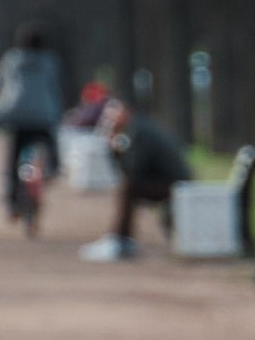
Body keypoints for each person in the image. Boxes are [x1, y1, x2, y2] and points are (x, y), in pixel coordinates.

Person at [78, 98, 189, 262]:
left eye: (113, 114)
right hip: (171, 182)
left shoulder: (139, 132)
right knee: (129, 187)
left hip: (177, 185)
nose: (109, 119)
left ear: (125, 112)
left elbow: (134, 171)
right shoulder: (137, 128)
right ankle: (120, 238)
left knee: (129, 188)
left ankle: (120, 240)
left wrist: (114, 147)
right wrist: (113, 149)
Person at [0, 23, 64, 219]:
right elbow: (54, 88)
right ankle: (54, 168)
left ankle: (13, 198)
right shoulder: (50, 61)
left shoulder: (12, 60)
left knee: (14, 157)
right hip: (44, 115)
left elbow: (1, 84)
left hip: (16, 114)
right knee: (49, 142)